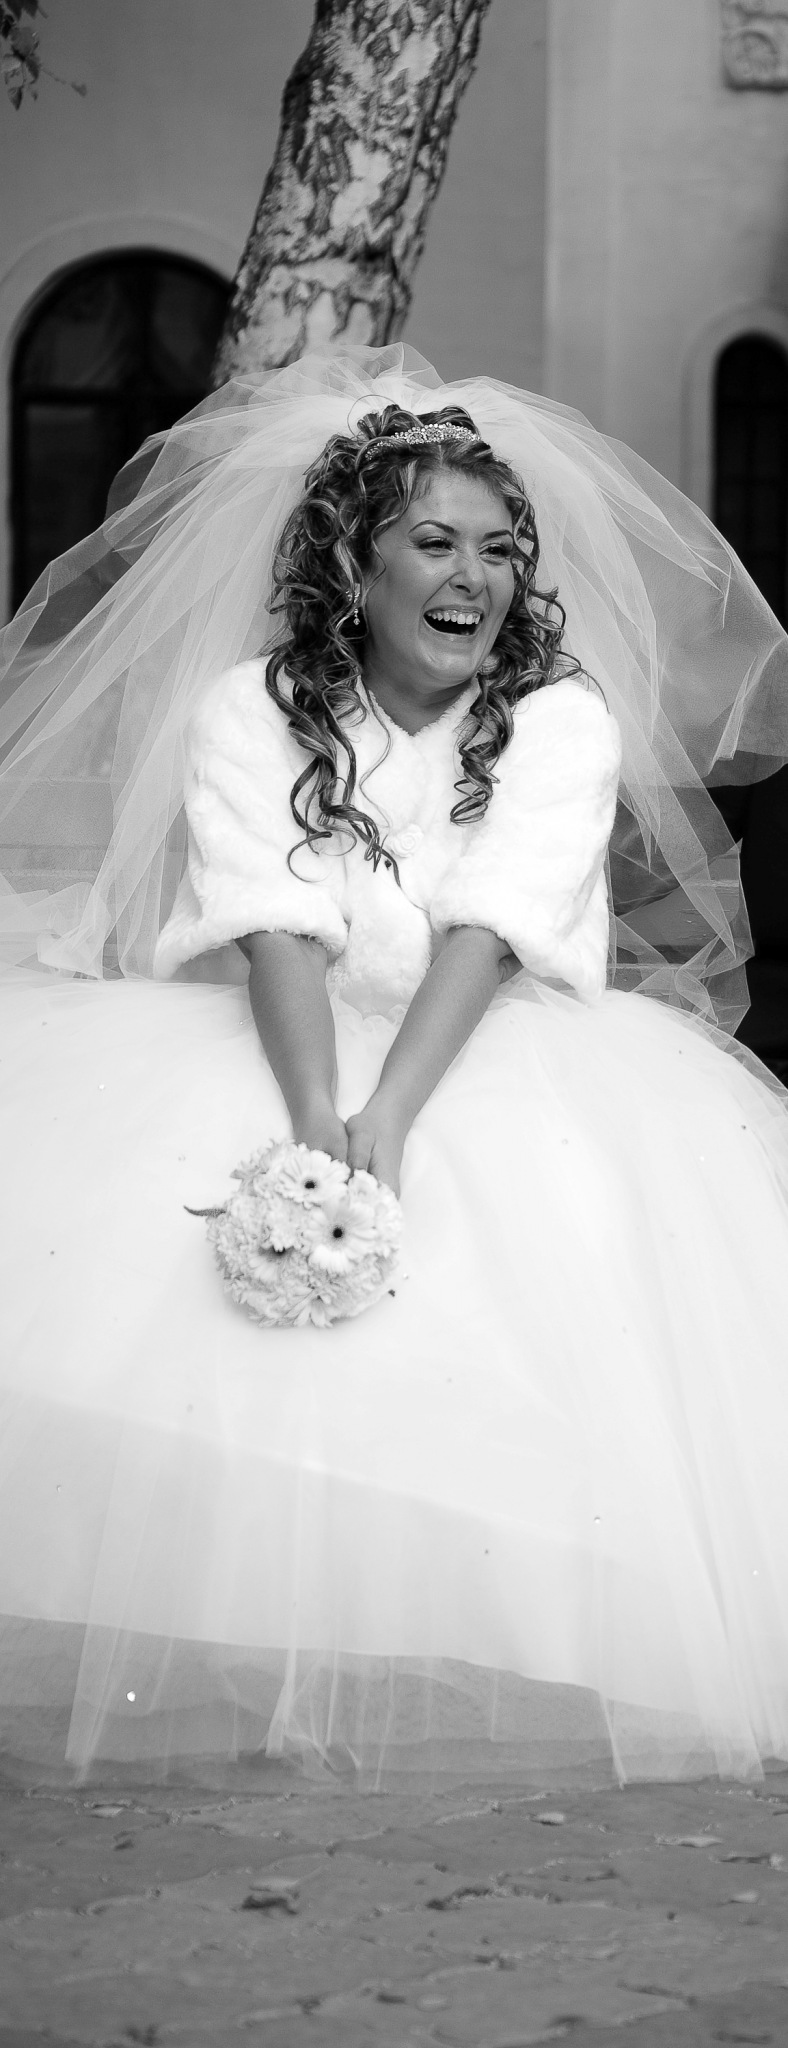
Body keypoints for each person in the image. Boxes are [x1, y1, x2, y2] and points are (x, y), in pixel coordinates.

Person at [1, 346, 788, 1791]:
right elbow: (274, 924)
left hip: (490, 1040)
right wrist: (315, 1120)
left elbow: (495, 927)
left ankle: (477, 1660)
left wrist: (393, 1118)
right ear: (353, 568)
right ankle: (256, 1657)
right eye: (433, 542)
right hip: (293, 1026)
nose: (473, 577)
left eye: (499, 549)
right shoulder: (253, 707)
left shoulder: (561, 717)